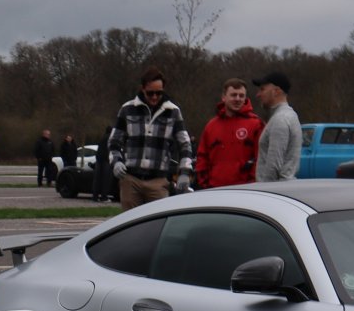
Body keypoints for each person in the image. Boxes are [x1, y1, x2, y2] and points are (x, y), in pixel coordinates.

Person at [108, 67, 194, 210]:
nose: (154, 97)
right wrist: (116, 162)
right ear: (142, 89)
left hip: (158, 181)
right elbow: (114, 141)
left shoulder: (173, 112)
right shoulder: (127, 109)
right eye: (150, 93)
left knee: (158, 221)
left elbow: (185, 144)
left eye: (159, 93)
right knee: (130, 221)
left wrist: (184, 173)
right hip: (131, 180)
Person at [194, 78, 263, 188]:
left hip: (245, 189)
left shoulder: (256, 124)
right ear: (224, 97)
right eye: (233, 95)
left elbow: (261, 159)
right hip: (214, 189)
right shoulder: (211, 126)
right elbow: (202, 157)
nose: (237, 99)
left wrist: (251, 183)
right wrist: (205, 183)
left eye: (241, 96)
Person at [253, 71, 300, 181]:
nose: (258, 94)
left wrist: (265, 189)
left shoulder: (280, 120)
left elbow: (273, 167)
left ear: (276, 91)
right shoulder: (289, 116)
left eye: (262, 89)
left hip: (275, 188)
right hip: (283, 187)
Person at [94, 126, 114, 202]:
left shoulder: (102, 137)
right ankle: (104, 197)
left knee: (97, 178)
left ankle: (95, 196)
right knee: (106, 179)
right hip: (106, 159)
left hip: (99, 159)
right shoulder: (110, 138)